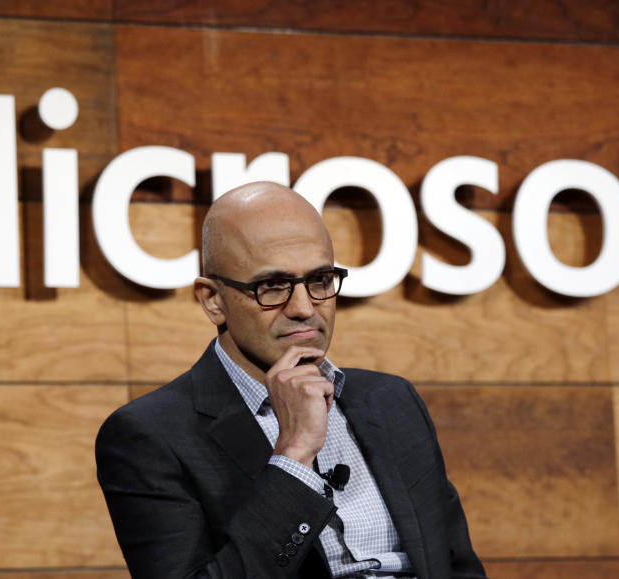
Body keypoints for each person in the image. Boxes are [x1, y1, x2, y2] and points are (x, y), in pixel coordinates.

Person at [95, 182, 487, 578]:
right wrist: (294, 455)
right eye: (273, 286)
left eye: (319, 280)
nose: (303, 308)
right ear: (213, 300)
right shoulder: (150, 436)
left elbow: (457, 564)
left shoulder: (392, 400)